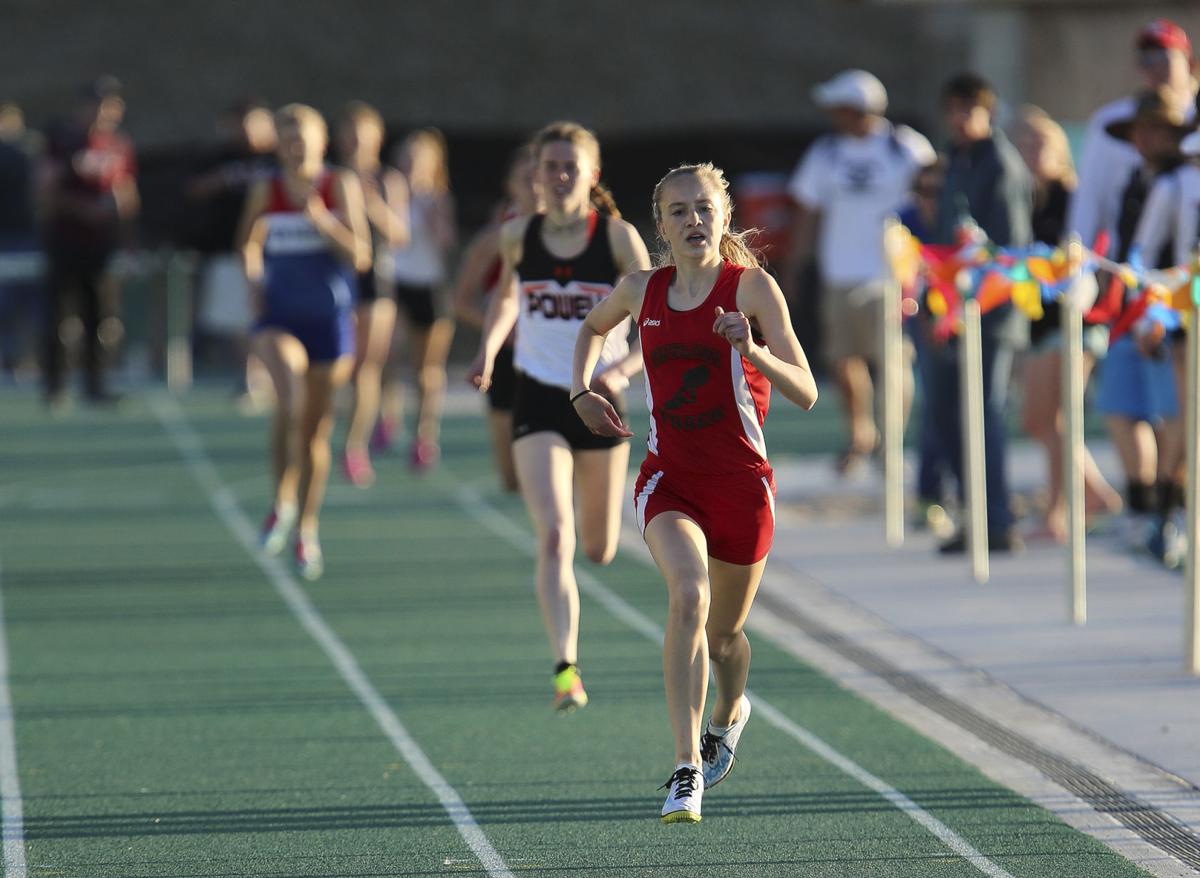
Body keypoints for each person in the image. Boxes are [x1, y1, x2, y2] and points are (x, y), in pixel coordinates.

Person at [572, 162, 817, 823]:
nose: (693, 221)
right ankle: (686, 769)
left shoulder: (752, 290)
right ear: (661, 225)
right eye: (678, 211)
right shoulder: (640, 291)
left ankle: (731, 710)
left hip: (742, 488)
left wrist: (752, 350)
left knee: (727, 636)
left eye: (704, 208)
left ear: (725, 216)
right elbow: (591, 328)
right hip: (668, 480)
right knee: (688, 597)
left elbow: (806, 388)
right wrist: (582, 392)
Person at [467, 121, 650, 712]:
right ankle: (565, 668)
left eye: (571, 166)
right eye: (550, 166)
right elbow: (504, 301)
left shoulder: (618, 239)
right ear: (536, 175)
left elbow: (655, 324)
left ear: (591, 175)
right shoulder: (518, 235)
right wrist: (489, 350)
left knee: (599, 548)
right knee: (554, 534)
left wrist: (620, 374)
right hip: (541, 395)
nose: (560, 176)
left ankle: (570, 639)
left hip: (600, 399)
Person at [238, 104, 371, 580]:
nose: (295, 146)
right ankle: (281, 500)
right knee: (288, 398)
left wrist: (322, 221)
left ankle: (306, 527)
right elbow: (247, 243)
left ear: (321, 142)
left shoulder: (341, 186)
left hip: (330, 321)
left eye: (303, 138)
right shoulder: (266, 189)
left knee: (315, 432)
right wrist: (253, 280)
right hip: (279, 318)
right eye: (287, 138)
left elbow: (361, 255)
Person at [783, 69, 934, 475]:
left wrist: (928, 261)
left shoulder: (905, 148)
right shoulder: (825, 152)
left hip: (892, 275)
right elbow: (808, 211)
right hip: (839, 273)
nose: (833, 115)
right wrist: (797, 264)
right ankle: (861, 435)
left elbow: (932, 200)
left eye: (840, 107)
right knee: (843, 360)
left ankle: (892, 444)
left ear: (859, 109)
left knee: (893, 362)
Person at [928, 72, 1032, 554]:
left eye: (967, 110)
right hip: (957, 310)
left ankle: (998, 519)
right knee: (951, 413)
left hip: (993, 311)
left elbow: (1008, 254)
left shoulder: (1001, 166)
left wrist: (973, 289)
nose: (959, 119)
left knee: (986, 414)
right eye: (953, 110)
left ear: (988, 112)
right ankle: (976, 514)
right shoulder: (958, 162)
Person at [1010, 107, 1122, 542]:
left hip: (1076, 321)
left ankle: (1057, 512)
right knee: (1041, 420)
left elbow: (1088, 255)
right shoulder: (1023, 198)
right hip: (1039, 324)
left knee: (1051, 416)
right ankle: (1095, 493)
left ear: (1059, 149)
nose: (1032, 152)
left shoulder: (1073, 195)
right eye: (1024, 143)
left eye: (1041, 143)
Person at [1105, 90, 1195, 560]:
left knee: (1183, 421)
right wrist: (1148, 315)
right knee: (1176, 417)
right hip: (1179, 313)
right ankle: (1164, 508)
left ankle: (1171, 508)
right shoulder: (1170, 185)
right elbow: (1143, 252)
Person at [41, 75, 139, 408]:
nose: (102, 112)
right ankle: (55, 387)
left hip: (101, 246)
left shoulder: (118, 145)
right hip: (66, 241)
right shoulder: (63, 142)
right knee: (58, 316)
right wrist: (84, 210)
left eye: (110, 105)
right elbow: (45, 193)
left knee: (100, 316)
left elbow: (126, 194)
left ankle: (95, 385)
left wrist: (126, 235)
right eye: (96, 104)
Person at [451, 143, 540, 493]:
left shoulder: (578, 237)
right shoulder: (495, 238)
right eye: (526, 178)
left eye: (541, 175)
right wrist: (502, 333)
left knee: (556, 469)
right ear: (510, 186)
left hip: (555, 359)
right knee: (511, 478)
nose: (535, 185)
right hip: (506, 358)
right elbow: (459, 301)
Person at [1068, 19, 1196, 247]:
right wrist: (1078, 252)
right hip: (1130, 263)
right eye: (1147, 60)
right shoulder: (1111, 121)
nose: (1155, 67)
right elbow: (1089, 200)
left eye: (1164, 57)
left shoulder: (1178, 181)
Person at [335, 102, 410, 488]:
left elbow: (400, 234)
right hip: (333, 278)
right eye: (346, 132)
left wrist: (372, 206)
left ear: (376, 137)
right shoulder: (327, 176)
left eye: (360, 133)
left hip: (374, 281)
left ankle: (354, 447)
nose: (353, 141)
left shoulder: (387, 180)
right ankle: (325, 432)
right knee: (335, 367)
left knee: (366, 368)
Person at [187, 99, 278, 406]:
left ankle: (269, 373)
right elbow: (193, 189)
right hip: (228, 251)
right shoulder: (218, 158)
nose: (246, 130)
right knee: (238, 319)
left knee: (271, 315)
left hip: (276, 251)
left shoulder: (277, 160)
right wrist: (222, 180)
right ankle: (249, 376)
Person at [377, 128, 456, 471]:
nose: (410, 165)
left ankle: (425, 434)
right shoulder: (387, 191)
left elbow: (445, 241)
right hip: (394, 282)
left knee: (426, 371)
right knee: (388, 354)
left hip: (429, 286)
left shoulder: (438, 198)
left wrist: (430, 214)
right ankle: (387, 418)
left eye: (417, 159)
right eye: (405, 158)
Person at [0, 102, 45, 382]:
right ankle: (12, 360)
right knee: (7, 306)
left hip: (26, 238)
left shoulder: (28, 153)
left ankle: (25, 360)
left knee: (30, 306)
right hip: (9, 240)